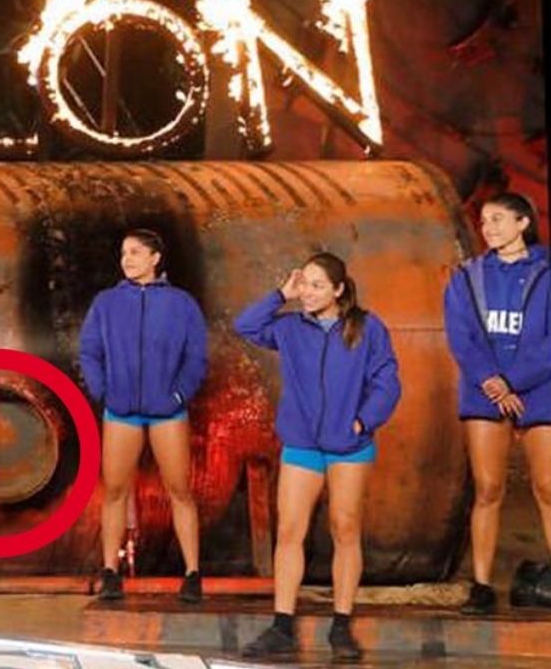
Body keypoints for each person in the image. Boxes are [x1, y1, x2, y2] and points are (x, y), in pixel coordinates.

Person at [235, 252, 401, 662]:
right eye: (304, 283)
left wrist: (363, 421)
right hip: (302, 443)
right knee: (290, 531)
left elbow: (387, 380)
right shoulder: (290, 327)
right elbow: (245, 326)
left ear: (338, 290)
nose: (307, 292)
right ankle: (282, 626)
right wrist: (281, 294)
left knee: (345, 528)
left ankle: (341, 625)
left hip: (349, 446)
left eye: (316, 285)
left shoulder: (367, 327)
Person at [78, 229, 208, 604]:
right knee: (115, 491)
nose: (127, 259)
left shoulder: (182, 304)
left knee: (179, 490)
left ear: (155, 258)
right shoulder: (106, 303)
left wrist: (178, 395)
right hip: (121, 412)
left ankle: (192, 573)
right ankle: (110, 572)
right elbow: (89, 351)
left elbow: (196, 357)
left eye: (135, 252)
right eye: (123, 253)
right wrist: (105, 392)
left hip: (168, 413)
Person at [444, 192, 551, 615]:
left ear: (523, 223)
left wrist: (513, 381)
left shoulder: (545, 272)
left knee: (547, 487)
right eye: (485, 220)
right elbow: (461, 336)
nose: (488, 228)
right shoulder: (467, 276)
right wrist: (492, 381)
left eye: (498, 219)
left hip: (538, 388)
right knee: (488, 488)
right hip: (485, 390)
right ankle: (482, 585)